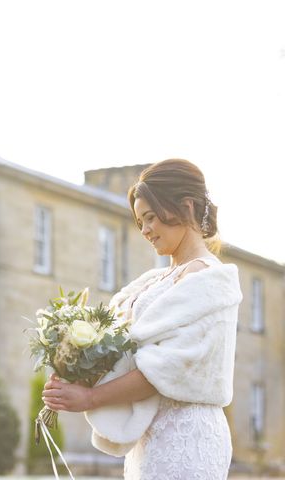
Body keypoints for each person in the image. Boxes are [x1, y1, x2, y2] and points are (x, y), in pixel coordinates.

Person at [41, 159, 243, 479]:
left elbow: (167, 366)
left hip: (186, 436)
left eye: (150, 217)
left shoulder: (210, 279)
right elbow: (125, 352)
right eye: (140, 222)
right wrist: (75, 366)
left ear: (186, 207)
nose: (146, 230)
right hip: (149, 437)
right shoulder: (156, 279)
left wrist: (90, 397)